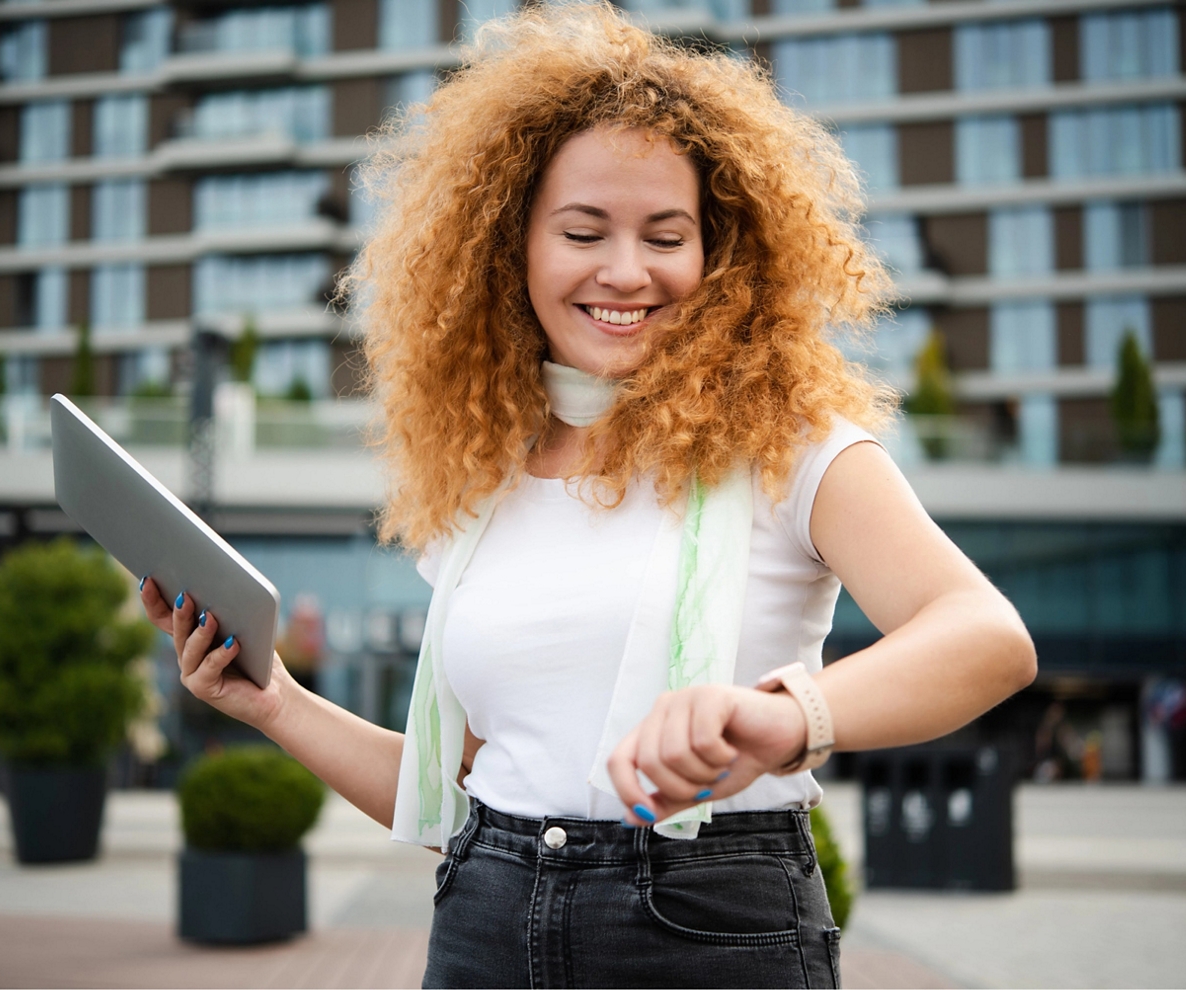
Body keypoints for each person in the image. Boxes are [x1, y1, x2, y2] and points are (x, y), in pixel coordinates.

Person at [139, 5, 1036, 986]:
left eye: (666, 235)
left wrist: (788, 716)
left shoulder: (790, 445)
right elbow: (450, 795)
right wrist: (271, 703)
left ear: (719, 253)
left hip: (707, 925)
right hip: (484, 913)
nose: (624, 271)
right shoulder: (485, 476)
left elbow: (987, 639)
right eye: (582, 231)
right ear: (511, 249)